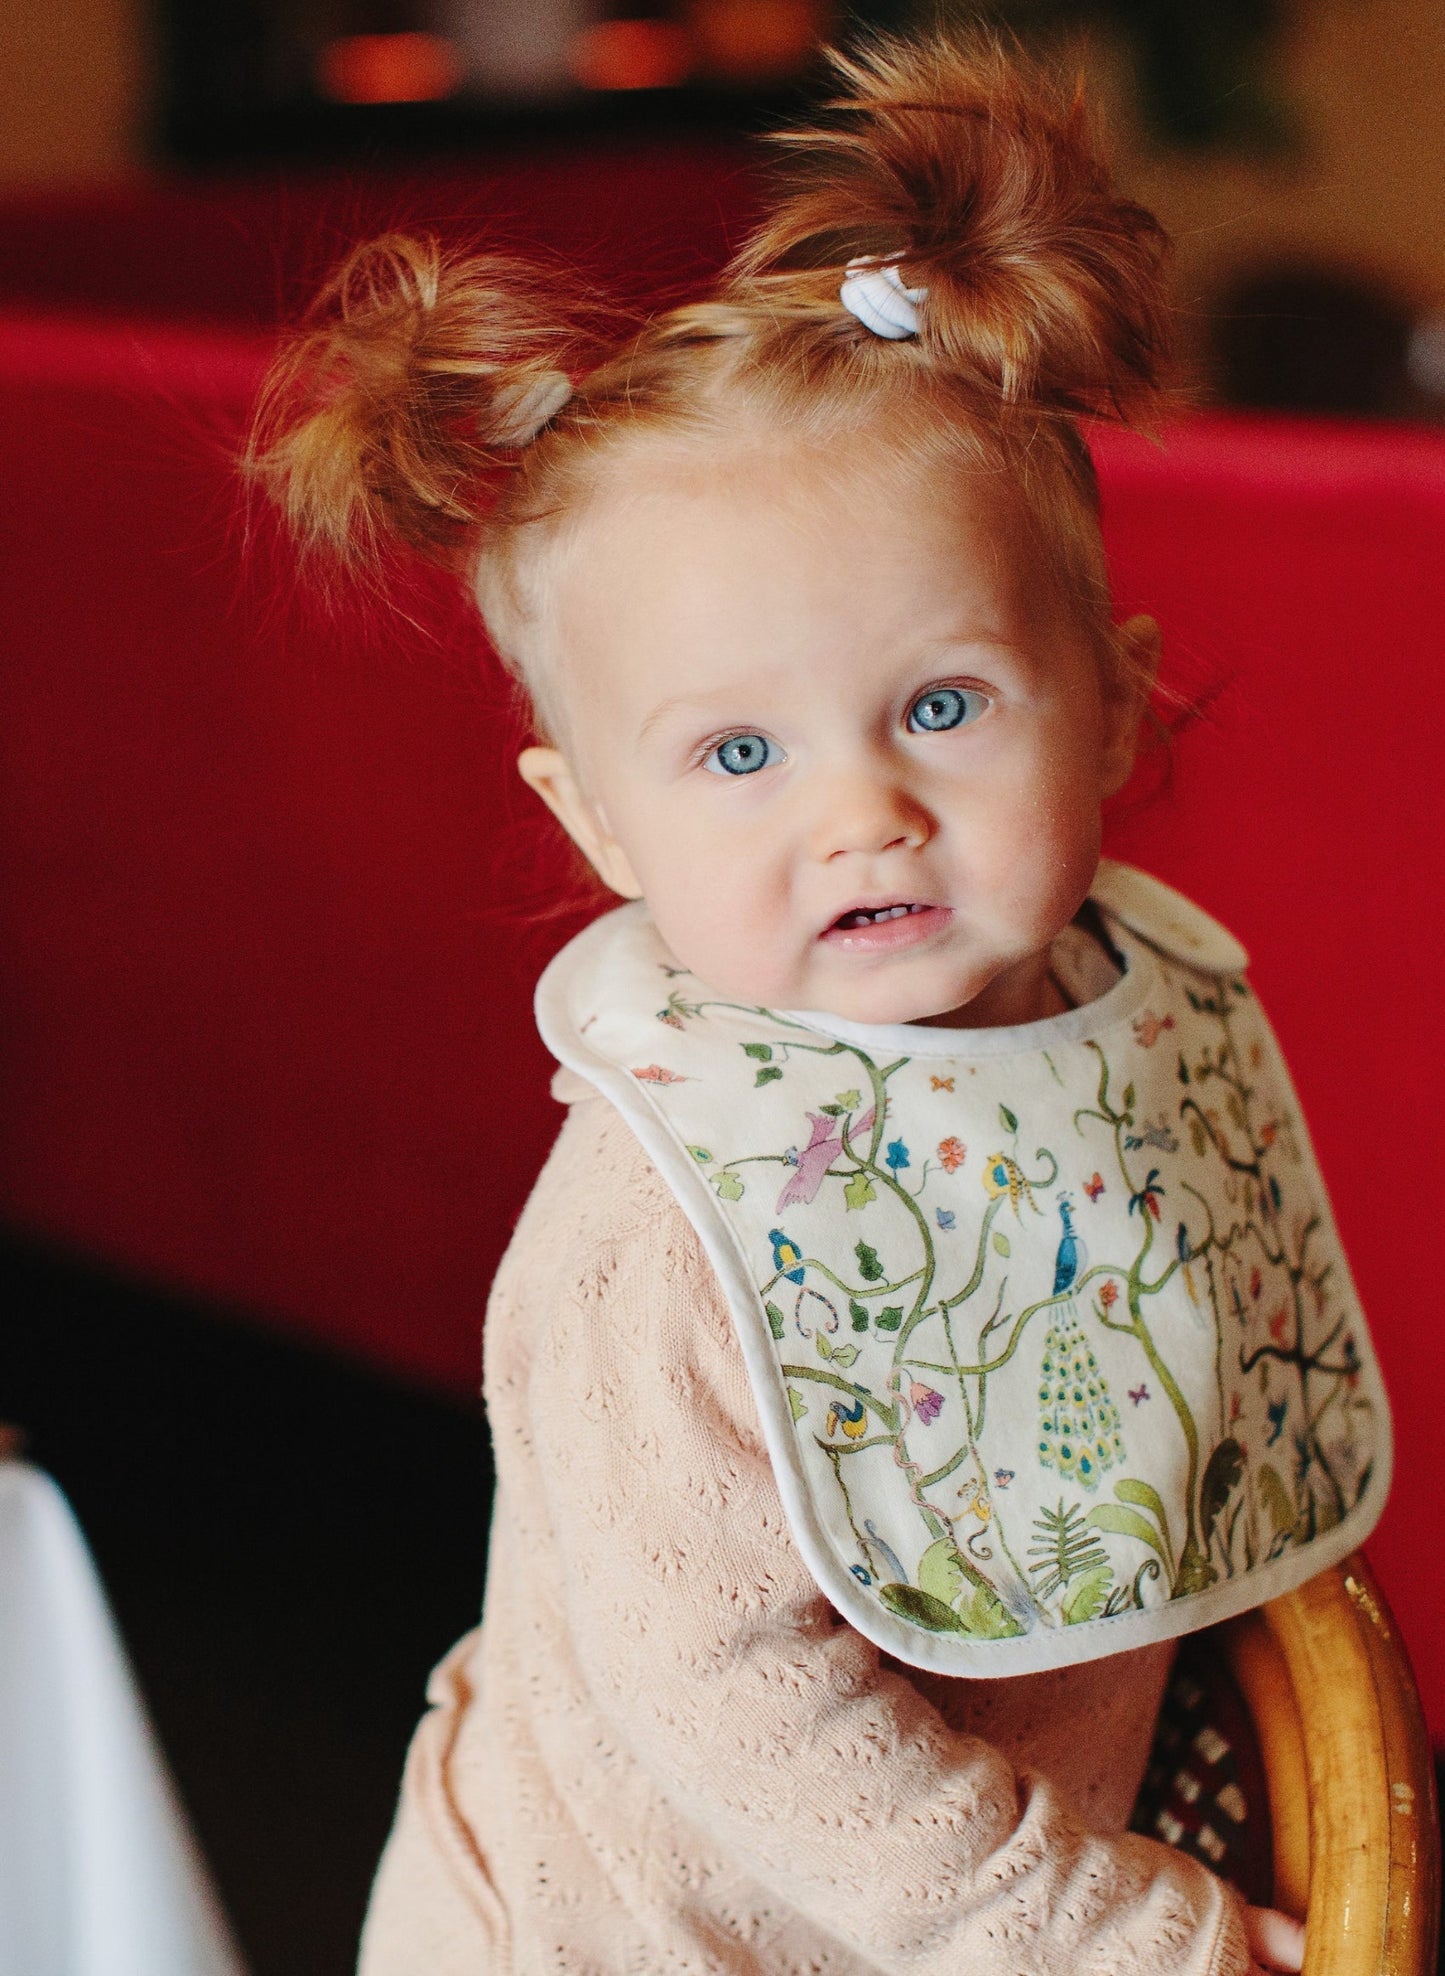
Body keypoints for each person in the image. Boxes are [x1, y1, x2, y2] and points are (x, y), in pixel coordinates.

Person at [249, 32, 1390, 1973]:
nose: (862, 812)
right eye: (737, 754)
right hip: (637, 1937)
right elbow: (744, 1714)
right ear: (597, 823)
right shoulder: (662, 1226)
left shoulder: (1131, 1023)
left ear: (1113, 708)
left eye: (942, 705)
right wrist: (1118, 1928)